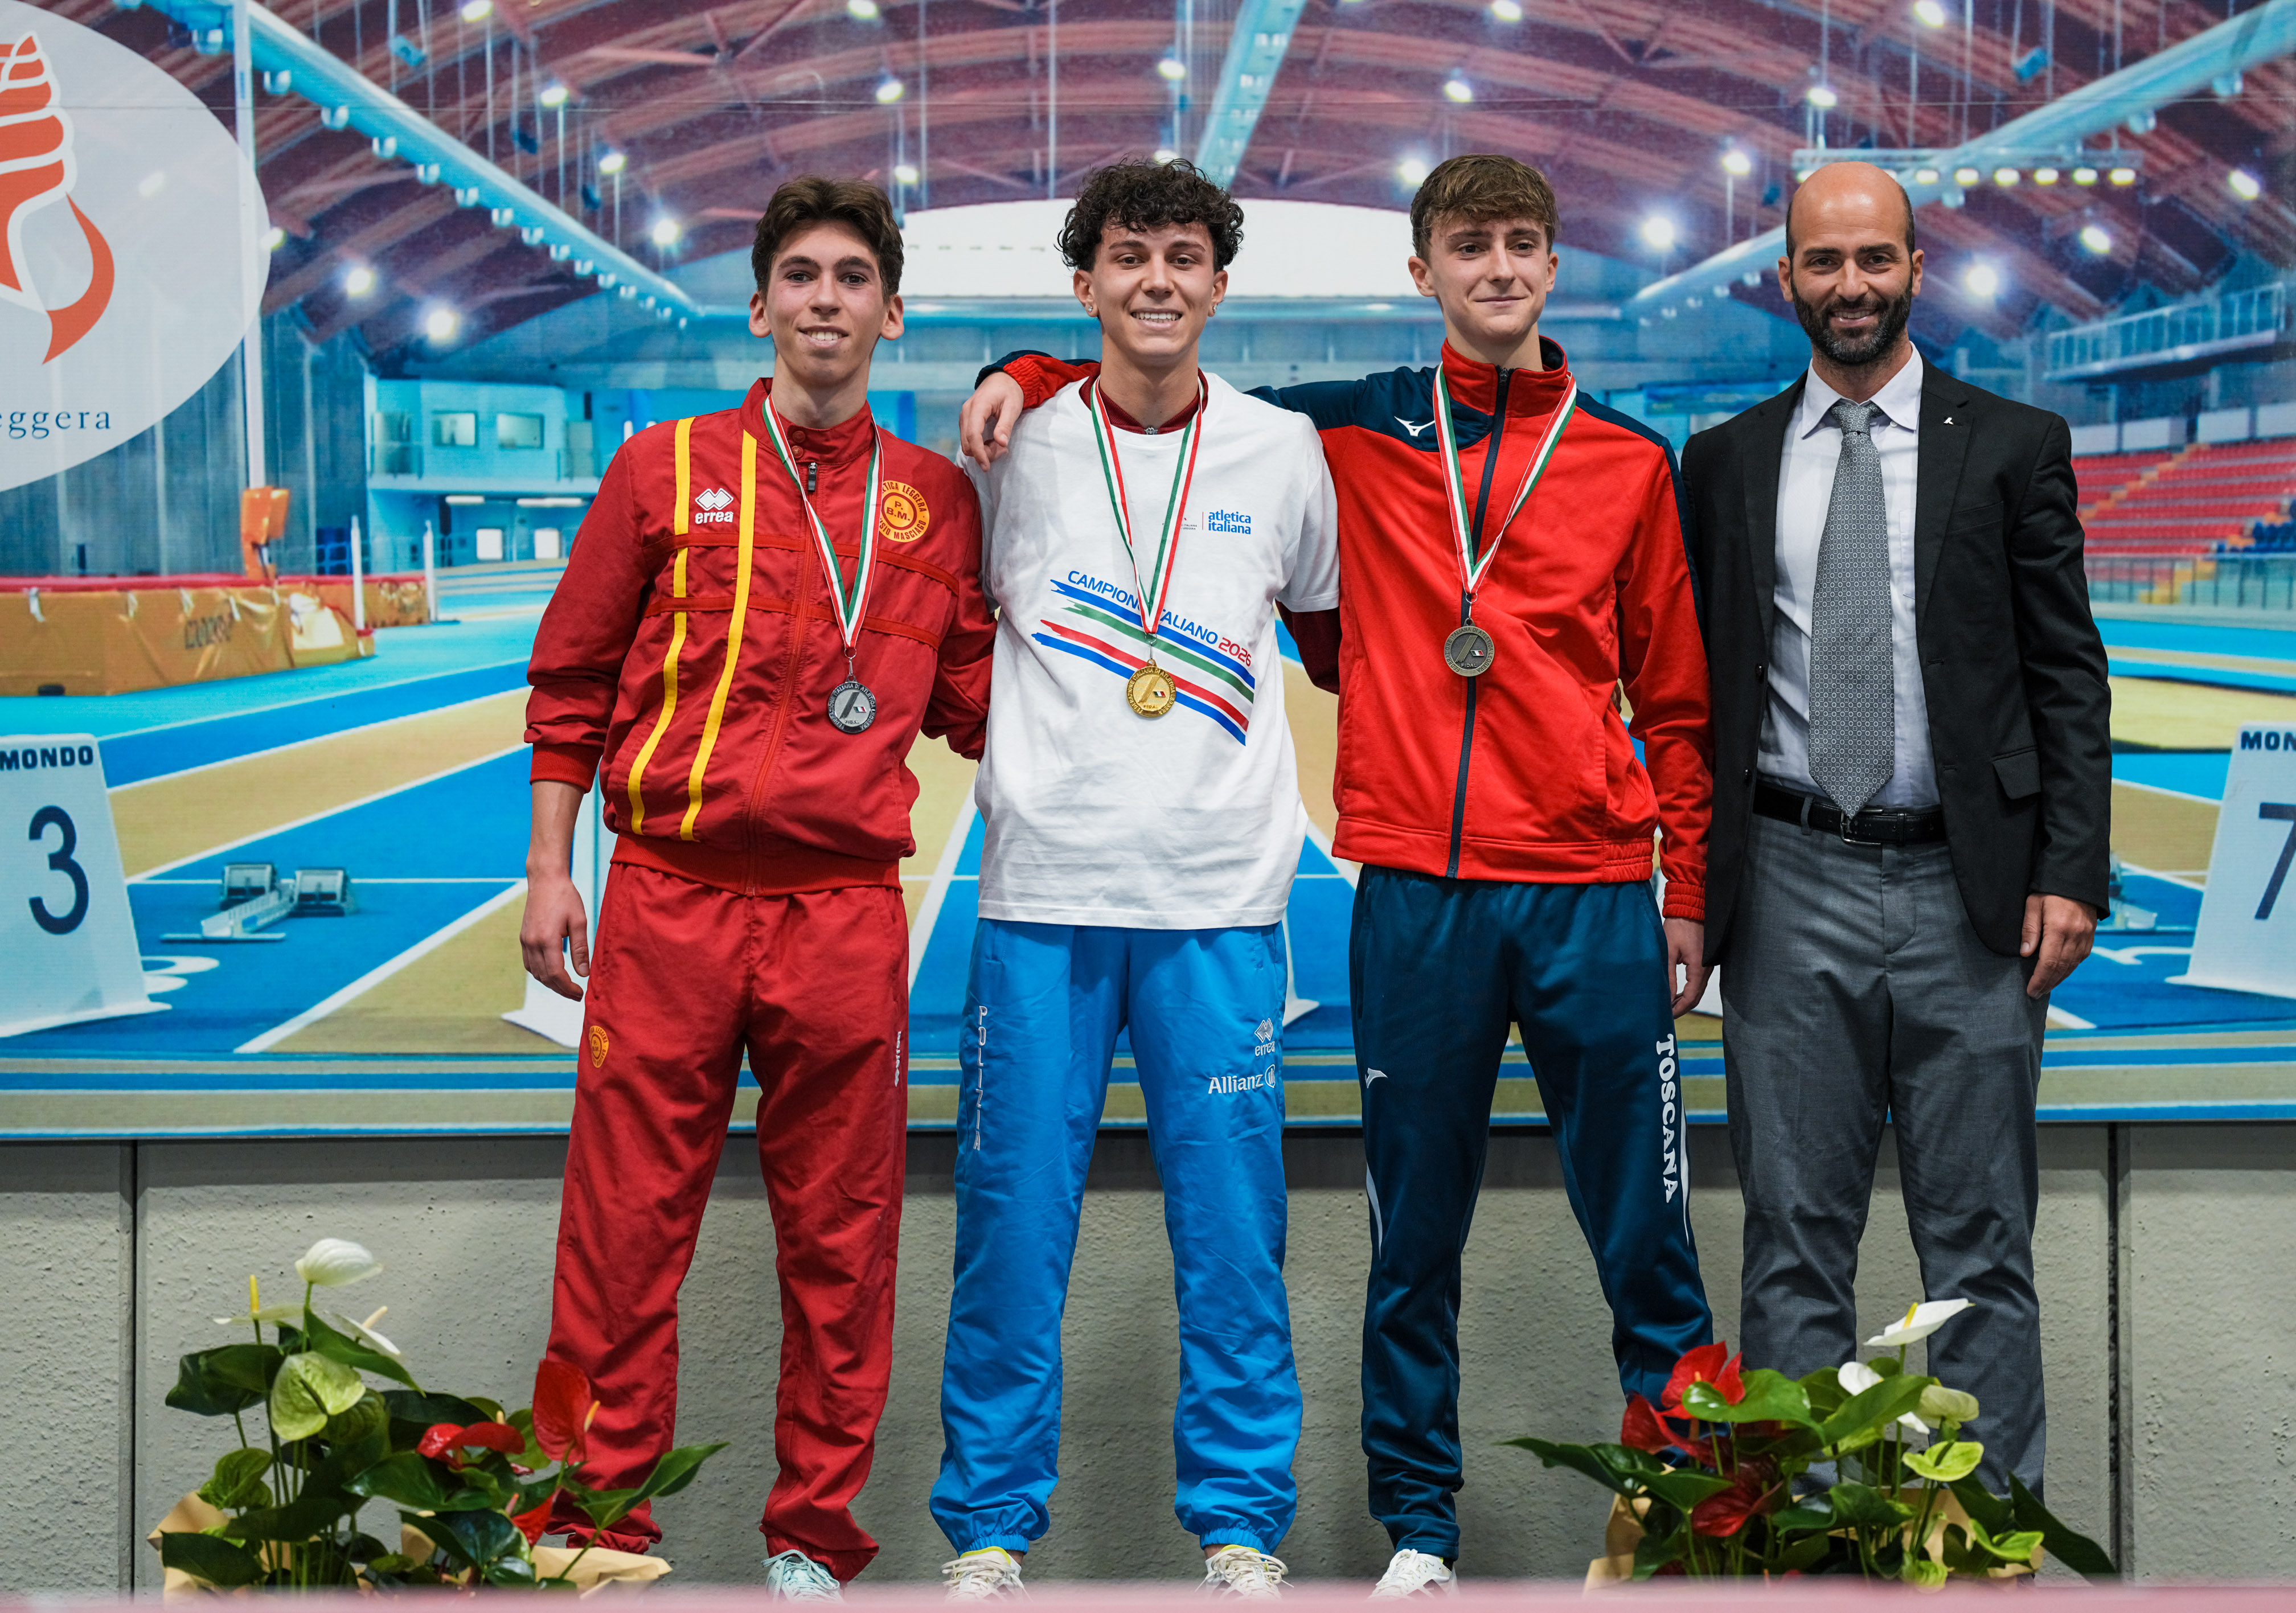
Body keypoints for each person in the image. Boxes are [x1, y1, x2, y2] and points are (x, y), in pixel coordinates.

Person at [962, 153, 1716, 1598]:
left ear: (1554, 265)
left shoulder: (1626, 460)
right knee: (1407, 1243)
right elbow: (1160, 382)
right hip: (1416, 889)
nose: (1499, 268)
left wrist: (1683, 888)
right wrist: (1026, 365)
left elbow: (1677, 703)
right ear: (1421, 273)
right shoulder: (1351, 427)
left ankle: (1692, 1517)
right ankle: (1419, 1531)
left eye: (1523, 243)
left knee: (1650, 1239)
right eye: (1469, 245)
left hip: (1590, 888)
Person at [519, 176, 993, 1600]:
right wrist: (550, 870)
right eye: (800, 274)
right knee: (620, 1235)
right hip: (666, 896)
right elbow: (571, 684)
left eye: (853, 277)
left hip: (843, 915)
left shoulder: (935, 502)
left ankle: (812, 1543)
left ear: (891, 314)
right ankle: (595, 1530)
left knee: (843, 1244)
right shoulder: (660, 469)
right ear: (759, 307)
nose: (825, 299)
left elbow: (980, 702)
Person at [927, 158, 1336, 1603]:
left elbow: (1331, 631)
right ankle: (989, 1529)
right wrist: (1012, 372)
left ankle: (1239, 1526)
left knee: (1233, 1240)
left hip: (1217, 903)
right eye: (1127, 255)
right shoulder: (1012, 441)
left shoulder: (1284, 451)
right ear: (1085, 283)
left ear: (1218, 284)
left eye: (1182, 257)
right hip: (1041, 894)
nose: (1156, 279)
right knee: (1010, 1231)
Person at [1678, 160, 2109, 1496]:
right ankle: (1804, 1536)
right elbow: (1696, 695)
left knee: (1979, 1246)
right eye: (1824, 260)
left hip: (1968, 893)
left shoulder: (2015, 446)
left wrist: (2070, 870)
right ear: (1786, 278)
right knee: (1791, 1240)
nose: (1850, 284)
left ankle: (1984, 1535)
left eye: (1875, 259)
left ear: (1918, 269)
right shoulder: (1725, 462)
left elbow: (2066, 674)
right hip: (1786, 878)